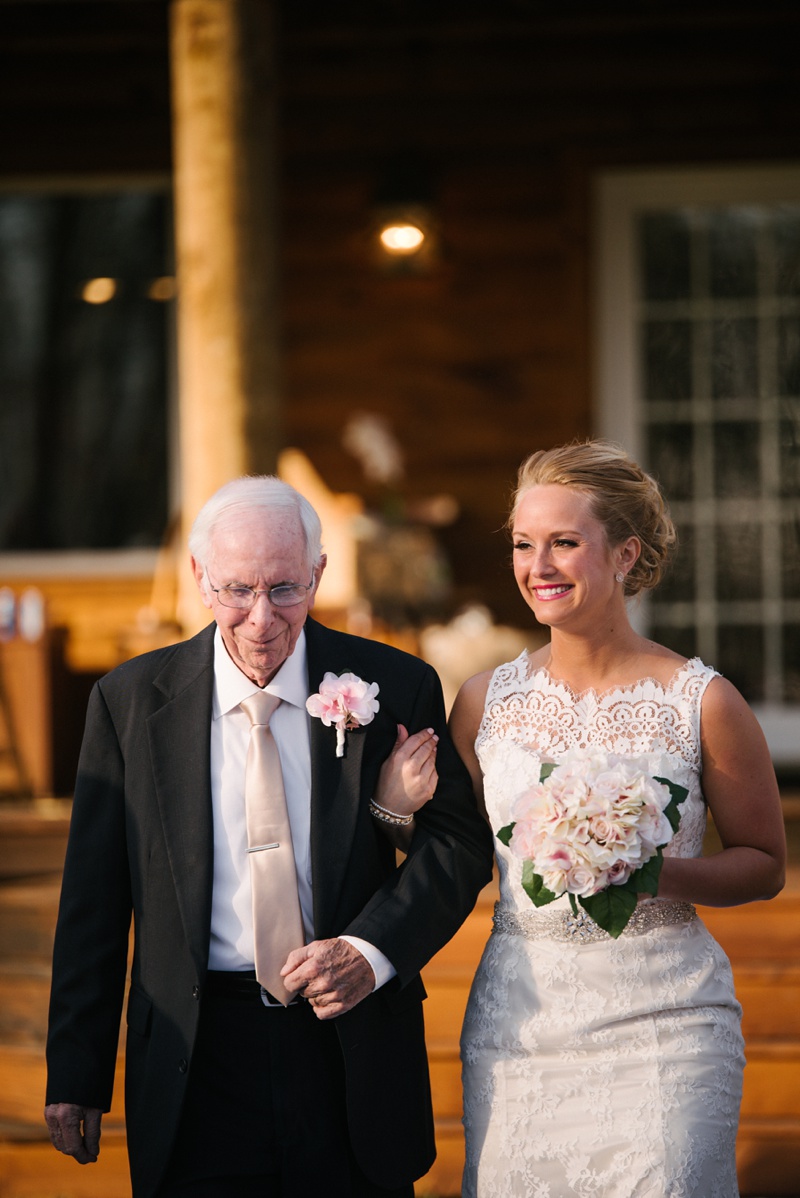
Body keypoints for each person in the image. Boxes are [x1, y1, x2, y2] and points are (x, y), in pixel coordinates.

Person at [44, 475, 494, 1198]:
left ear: (318, 575)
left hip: (347, 1052)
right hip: (197, 1057)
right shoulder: (127, 701)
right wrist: (76, 1070)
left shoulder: (394, 684)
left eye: (285, 589)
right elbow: (95, 900)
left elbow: (459, 847)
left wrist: (369, 952)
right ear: (199, 578)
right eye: (236, 591)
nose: (260, 619)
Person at [429, 440, 784, 1196]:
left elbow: (763, 864)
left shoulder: (702, 702)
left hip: (666, 1023)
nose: (538, 566)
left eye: (564, 543)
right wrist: (392, 804)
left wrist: (647, 873)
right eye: (525, 545)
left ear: (624, 555)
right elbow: (448, 853)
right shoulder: (484, 703)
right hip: (519, 1030)